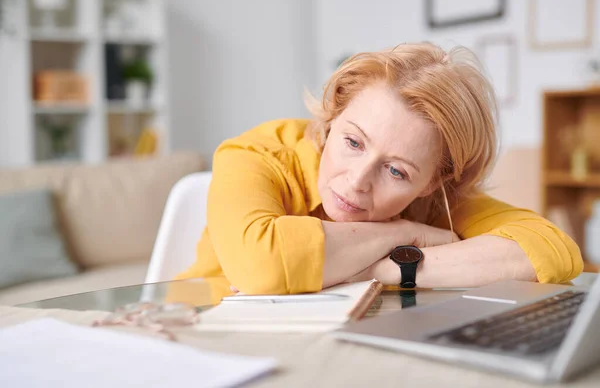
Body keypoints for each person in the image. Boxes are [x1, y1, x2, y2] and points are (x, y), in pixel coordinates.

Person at [176, 42, 583, 295]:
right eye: (353, 142)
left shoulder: (437, 196)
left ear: (431, 183)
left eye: (397, 172)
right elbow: (260, 266)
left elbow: (551, 252)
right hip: (200, 338)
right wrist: (407, 234)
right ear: (333, 113)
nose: (357, 181)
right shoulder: (255, 152)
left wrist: (378, 268)